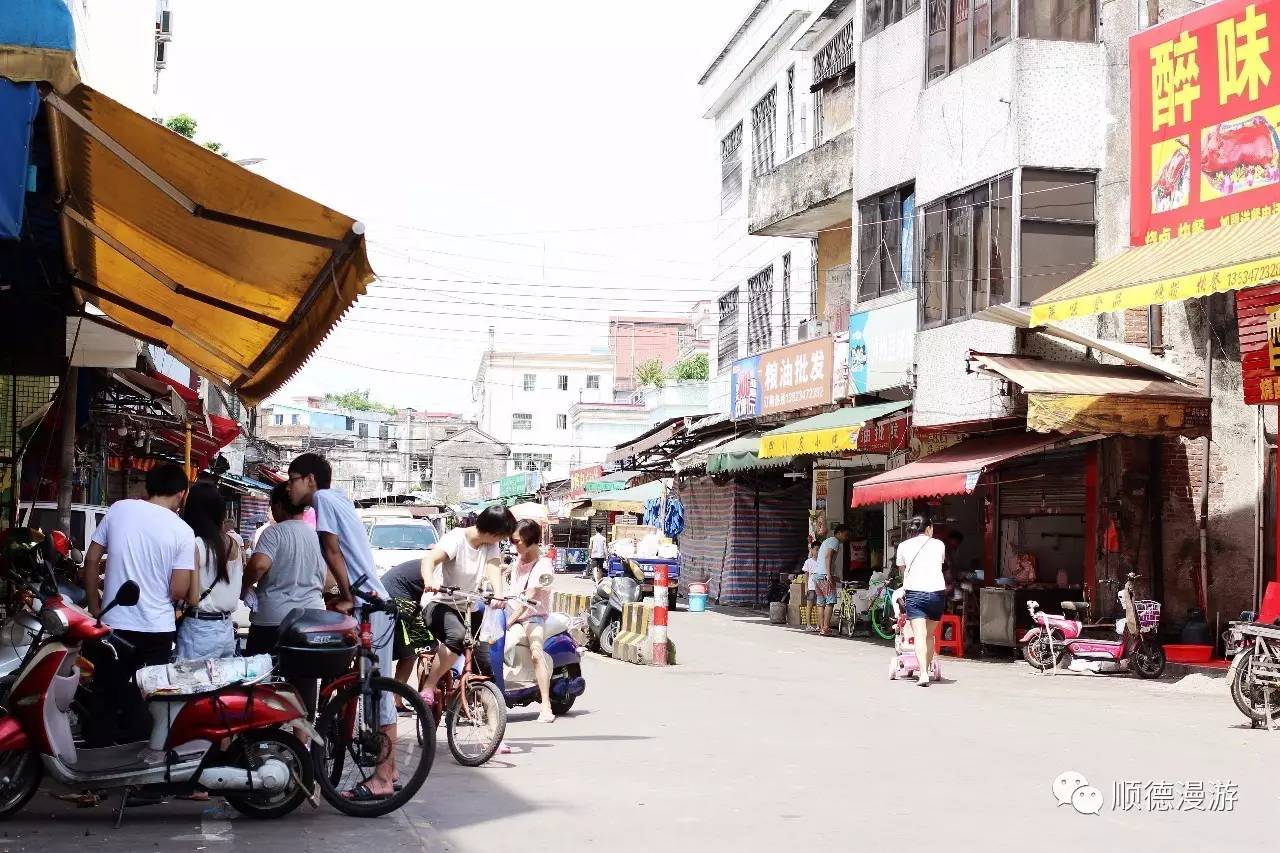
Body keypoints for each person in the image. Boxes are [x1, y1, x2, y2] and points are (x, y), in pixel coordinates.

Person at [287, 453, 396, 803]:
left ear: (310, 480)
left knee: (377, 694)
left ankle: (382, 778)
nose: (289, 488)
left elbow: (333, 551)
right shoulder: (336, 499)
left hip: (370, 603)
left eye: (293, 480)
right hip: (371, 602)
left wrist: (348, 596)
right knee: (372, 691)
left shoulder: (323, 499)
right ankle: (388, 770)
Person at [82, 462, 195, 746]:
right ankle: (140, 765)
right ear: (181, 493)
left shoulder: (120, 509)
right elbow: (179, 589)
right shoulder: (182, 531)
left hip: (114, 627)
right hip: (157, 631)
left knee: (106, 697)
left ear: (149, 486)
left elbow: (92, 560)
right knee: (147, 698)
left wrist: (96, 607)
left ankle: (96, 775)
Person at [417, 506, 514, 714]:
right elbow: (430, 560)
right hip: (439, 603)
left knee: (484, 664)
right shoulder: (456, 538)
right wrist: (430, 579)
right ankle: (429, 686)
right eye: (502, 536)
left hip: (465, 606)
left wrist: (498, 593)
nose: (501, 541)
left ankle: (493, 732)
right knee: (458, 636)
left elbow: (493, 568)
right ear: (493, 532)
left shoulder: (490, 546)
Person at [243, 483, 330, 712]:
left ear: (279, 506)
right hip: (311, 620)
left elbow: (259, 565)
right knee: (304, 680)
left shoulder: (274, 532)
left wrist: (244, 586)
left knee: (259, 677)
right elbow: (329, 579)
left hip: (272, 620)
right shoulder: (317, 536)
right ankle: (301, 740)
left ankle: (261, 735)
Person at [175, 482, 244, 660]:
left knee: (194, 684)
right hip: (226, 628)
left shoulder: (197, 544)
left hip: (200, 629)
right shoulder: (233, 544)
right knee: (222, 685)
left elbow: (192, 598)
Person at [507, 519, 557, 723]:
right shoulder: (518, 560)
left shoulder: (544, 566)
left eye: (516, 541)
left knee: (536, 653)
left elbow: (528, 599)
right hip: (511, 611)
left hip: (532, 616)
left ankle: (546, 706)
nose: (514, 545)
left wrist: (509, 621)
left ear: (531, 541)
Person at [896, 514, 948, 687]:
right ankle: (925, 668)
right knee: (929, 635)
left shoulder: (903, 546)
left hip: (915, 593)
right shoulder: (939, 544)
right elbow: (938, 564)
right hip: (936, 594)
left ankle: (924, 674)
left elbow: (902, 570)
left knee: (919, 635)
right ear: (929, 528)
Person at [814, 524, 850, 637]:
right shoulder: (834, 541)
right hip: (825, 576)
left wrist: (833, 576)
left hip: (817, 575)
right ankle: (825, 628)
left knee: (821, 603)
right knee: (830, 601)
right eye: (845, 535)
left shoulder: (827, 541)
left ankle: (821, 627)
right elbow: (828, 556)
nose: (846, 537)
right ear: (839, 533)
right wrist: (829, 574)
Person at [801, 540, 821, 632]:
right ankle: (808, 625)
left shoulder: (822, 562)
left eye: (819, 550)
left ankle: (818, 625)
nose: (818, 551)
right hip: (811, 587)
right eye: (816, 549)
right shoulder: (808, 562)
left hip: (820, 588)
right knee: (809, 606)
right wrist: (806, 588)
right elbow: (806, 575)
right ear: (811, 550)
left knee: (819, 606)